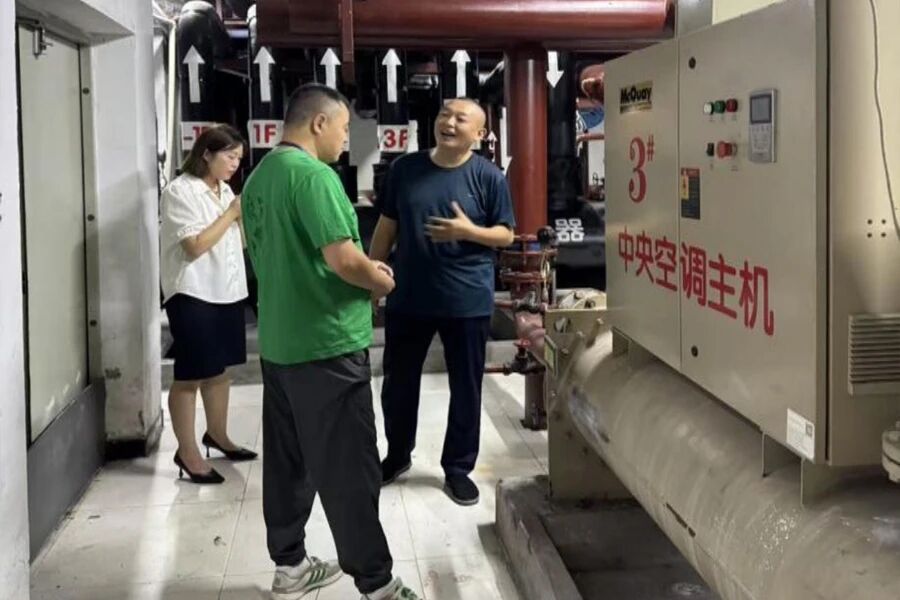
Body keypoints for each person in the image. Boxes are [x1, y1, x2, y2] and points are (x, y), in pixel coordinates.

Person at [241, 84, 420, 600]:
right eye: (343, 129)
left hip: (280, 344)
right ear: (318, 123)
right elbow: (344, 260)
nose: (345, 141)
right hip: (327, 345)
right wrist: (380, 279)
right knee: (349, 469)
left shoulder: (259, 177)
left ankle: (290, 566)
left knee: (288, 462)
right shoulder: (314, 176)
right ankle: (378, 584)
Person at [369, 98, 516, 506]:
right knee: (398, 384)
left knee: (465, 387)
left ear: (479, 134)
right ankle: (397, 455)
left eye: (460, 119)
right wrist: (371, 279)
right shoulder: (405, 169)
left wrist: (468, 231)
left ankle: (458, 468)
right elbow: (386, 227)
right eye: (443, 115)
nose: (448, 123)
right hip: (409, 297)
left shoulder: (489, 177)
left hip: (466, 300)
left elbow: (506, 234)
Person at [159, 124, 258, 486]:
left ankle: (217, 434)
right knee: (191, 374)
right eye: (229, 156)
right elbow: (195, 246)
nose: (235, 164)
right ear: (206, 154)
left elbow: (234, 242)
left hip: (226, 290)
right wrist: (231, 214)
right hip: (193, 292)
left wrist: (244, 219)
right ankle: (187, 452)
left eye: (239, 159)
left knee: (219, 370)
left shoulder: (224, 190)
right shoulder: (180, 191)